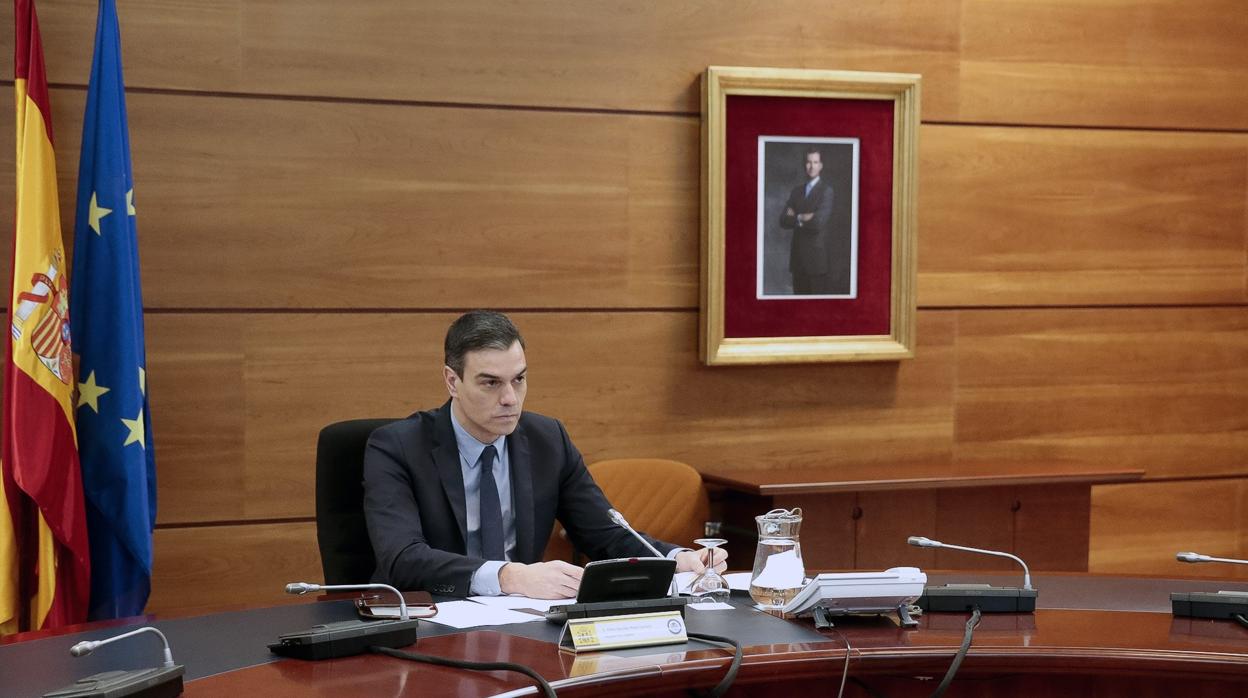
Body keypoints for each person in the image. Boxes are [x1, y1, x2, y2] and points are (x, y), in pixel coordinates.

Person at [363, 310, 727, 598]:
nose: (510, 398)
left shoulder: (547, 440)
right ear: (452, 381)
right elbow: (402, 558)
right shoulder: (397, 447)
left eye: (518, 379)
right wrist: (509, 576)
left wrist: (674, 559)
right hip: (430, 618)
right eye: (490, 383)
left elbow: (605, 534)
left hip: (522, 620)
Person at [778, 147, 836, 294]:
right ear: (804, 164)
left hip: (816, 262)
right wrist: (801, 217)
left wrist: (795, 216)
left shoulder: (826, 191)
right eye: (808, 162)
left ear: (821, 165)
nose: (811, 166)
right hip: (797, 260)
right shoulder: (796, 191)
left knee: (815, 305)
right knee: (797, 303)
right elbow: (783, 220)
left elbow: (818, 223)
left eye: (815, 162)